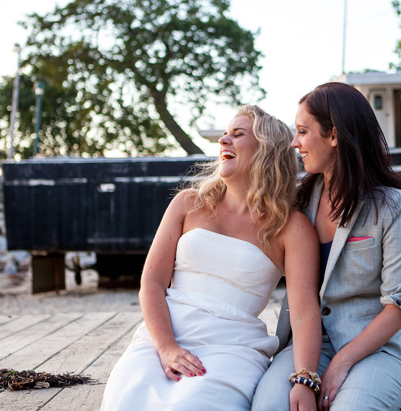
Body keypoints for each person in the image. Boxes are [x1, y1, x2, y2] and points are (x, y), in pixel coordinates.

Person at [101, 105, 322, 411]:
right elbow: (151, 282)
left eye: (238, 134)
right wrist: (166, 348)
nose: (223, 141)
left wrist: (304, 378)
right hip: (161, 340)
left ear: (266, 150)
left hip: (232, 350)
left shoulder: (291, 227)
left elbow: (304, 312)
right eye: (224, 135)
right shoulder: (188, 203)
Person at [252, 83, 401, 410]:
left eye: (303, 131)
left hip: (376, 352)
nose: (295, 142)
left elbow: (399, 307)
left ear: (334, 136)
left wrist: (342, 362)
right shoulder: (299, 202)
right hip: (303, 347)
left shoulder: (392, 206)